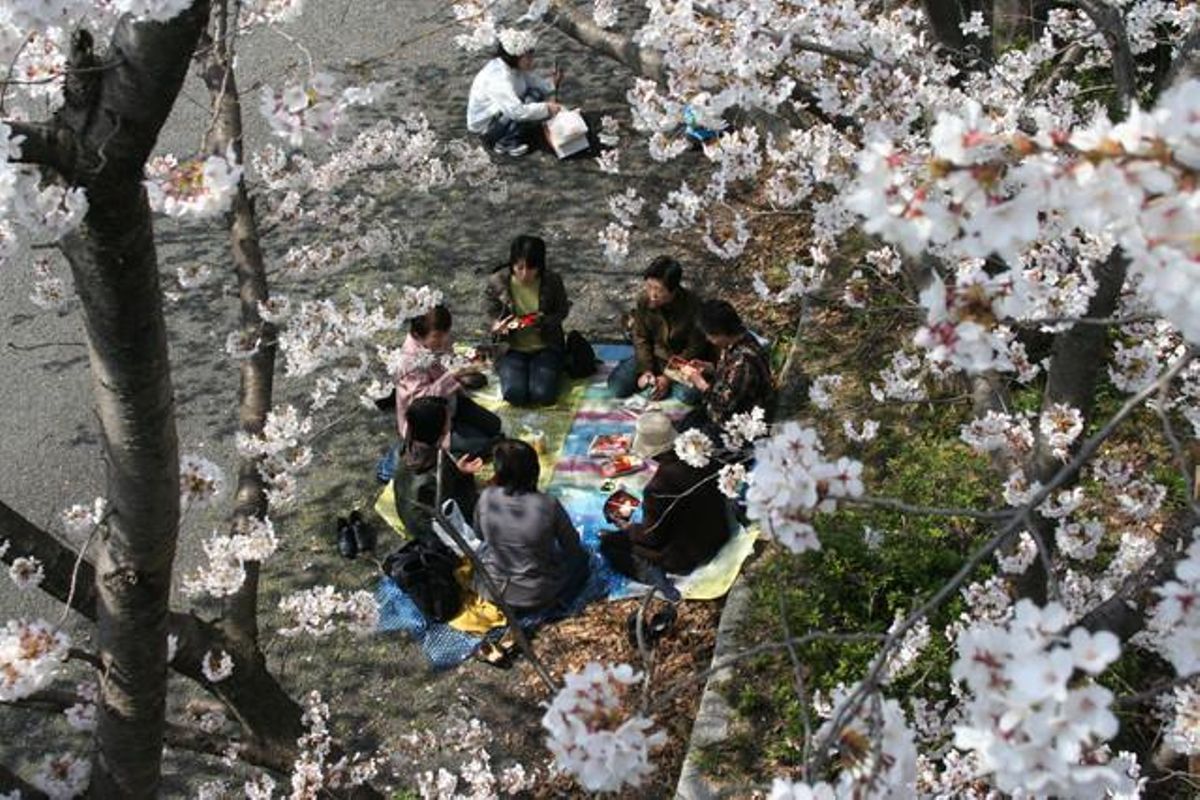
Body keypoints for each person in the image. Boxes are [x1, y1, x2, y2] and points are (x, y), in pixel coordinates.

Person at [599, 412, 732, 598]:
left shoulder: (659, 486)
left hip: (688, 555)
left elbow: (653, 537)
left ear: (653, 454)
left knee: (608, 544)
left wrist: (628, 529)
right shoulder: (701, 455)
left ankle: (652, 574)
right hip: (719, 532)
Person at [472, 439, 590, 615]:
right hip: (536, 595)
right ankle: (562, 602)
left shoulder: (486, 497)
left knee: (484, 551)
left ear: (499, 472)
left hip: (492, 590)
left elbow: (480, 536)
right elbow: (572, 547)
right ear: (535, 470)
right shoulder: (548, 504)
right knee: (583, 560)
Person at [393, 304, 502, 458]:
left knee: (495, 426)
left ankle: (460, 433)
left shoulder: (438, 339)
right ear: (418, 335)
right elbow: (422, 402)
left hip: (452, 402)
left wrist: (470, 364)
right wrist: (454, 375)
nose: (444, 340)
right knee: (484, 446)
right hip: (431, 422)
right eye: (438, 336)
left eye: (446, 333)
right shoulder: (409, 361)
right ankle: (447, 448)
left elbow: (451, 360)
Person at [607, 256, 711, 403]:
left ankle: (665, 385)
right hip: (654, 357)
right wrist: (646, 370)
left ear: (673, 290)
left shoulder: (693, 305)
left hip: (681, 362)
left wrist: (668, 378)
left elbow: (695, 347)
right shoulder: (644, 301)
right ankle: (653, 380)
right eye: (649, 287)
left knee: (689, 396)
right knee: (616, 387)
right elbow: (641, 337)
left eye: (659, 290)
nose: (652, 295)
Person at [485, 235, 571, 406]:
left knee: (542, 394)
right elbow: (488, 312)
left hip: (545, 346)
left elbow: (562, 310)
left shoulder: (552, 281)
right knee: (514, 394)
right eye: (520, 267)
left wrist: (544, 320)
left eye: (531, 268)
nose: (525, 274)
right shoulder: (498, 282)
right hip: (511, 348)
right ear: (512, 264)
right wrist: (495, 325)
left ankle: (551, 370)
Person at [678, 300, 776, 435]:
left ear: (721, 332)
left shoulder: (744, 361)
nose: (707, 339)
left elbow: (725, 404)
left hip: (738, 422)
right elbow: (729, 373)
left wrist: (699, 382)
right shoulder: (737, 340)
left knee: (689, 439)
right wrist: (709, 368)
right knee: (684, 424)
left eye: (710, 335)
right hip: (721, 404)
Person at [393, 397, 483, 542]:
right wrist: (463, 477)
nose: (450, 421)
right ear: (440, 428)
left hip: (409, 514)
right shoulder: (441, 467)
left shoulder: (407, 446)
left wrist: (457, 470)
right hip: (430, 531)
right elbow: (450, 508)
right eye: (447, 419)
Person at [466, 28, 563, 158]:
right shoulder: (498, 79)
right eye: (528, 57)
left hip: (500, 114)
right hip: (488, 128)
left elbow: (531, 81)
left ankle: (511, 134)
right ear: (515, 57)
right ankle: (506, 142)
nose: (531, 60)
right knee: (531, 99)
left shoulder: (512, 66)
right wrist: (547, 108)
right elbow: (516, 111)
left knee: (535, 94)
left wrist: (551, 84)